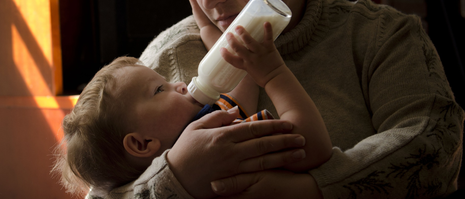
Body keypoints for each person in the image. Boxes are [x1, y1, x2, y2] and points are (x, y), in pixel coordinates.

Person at [88, 0, 464, 198]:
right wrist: (178, 179)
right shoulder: (163, 59)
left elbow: (434, 151)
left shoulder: (381, 37)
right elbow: (100, 191)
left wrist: (309, 190)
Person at [54, 21, 332, 197]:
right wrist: (273, 74)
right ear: (142, 143)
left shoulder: (207, 118)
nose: (179, 84)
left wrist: (210, 29)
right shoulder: (218, 147)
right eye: (159, 90)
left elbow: (241, 81)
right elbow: (311, 146)